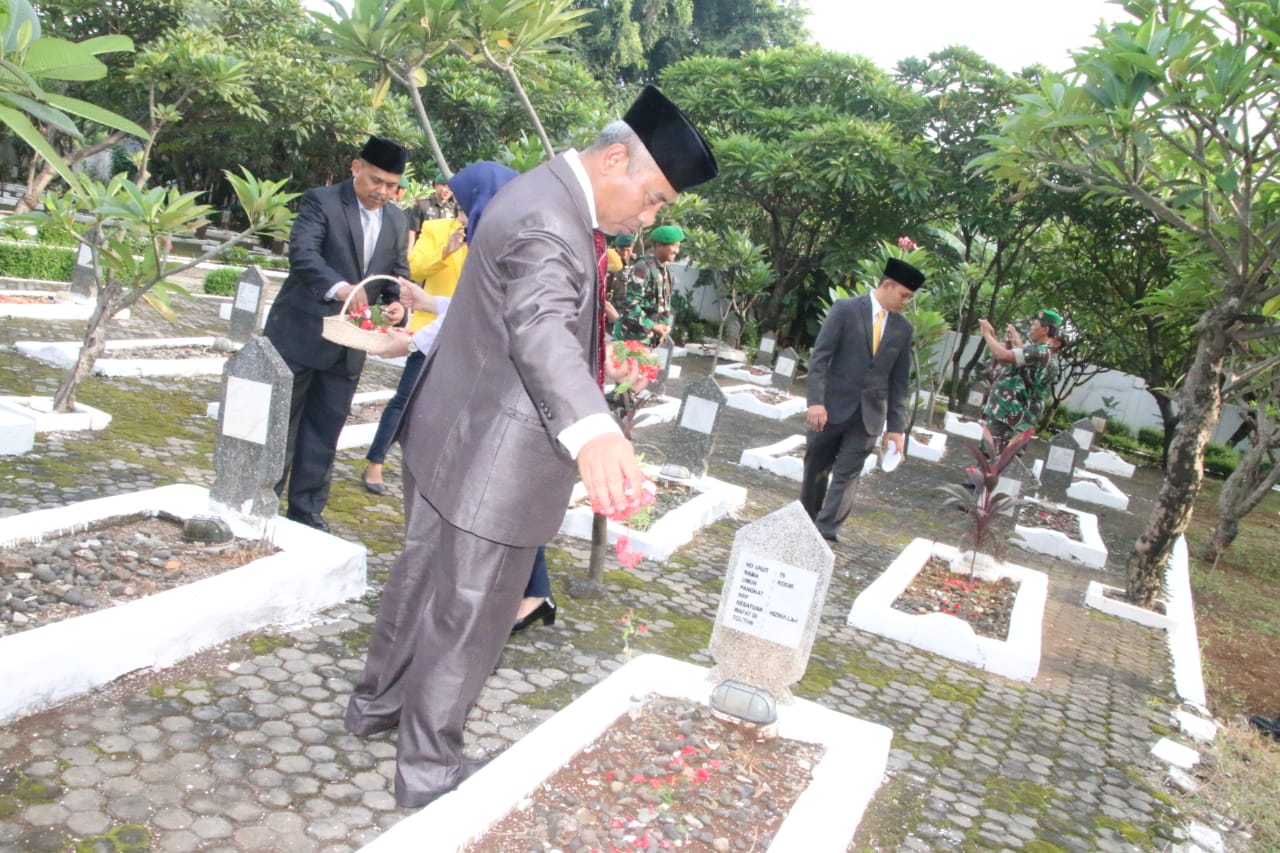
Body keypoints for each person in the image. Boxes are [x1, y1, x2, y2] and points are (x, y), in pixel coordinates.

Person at [343, 84, 717, 809]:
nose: (648, 218)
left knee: (420, 581)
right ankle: (428, 769)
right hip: (496, 461)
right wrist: (596, 427)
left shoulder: (536, 190)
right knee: (471, 614)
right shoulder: (552, 221)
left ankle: (375, 705)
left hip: (451, 431)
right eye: (655, 199)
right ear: (616, 158)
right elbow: (540, 328)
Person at [263, 135, 410, 532]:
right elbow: (303, 255)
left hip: (349, 344)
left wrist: (399, 302)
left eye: (391, 185)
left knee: (326, 427)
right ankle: (262, 499)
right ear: (355, 167)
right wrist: (341, 288)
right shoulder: (321, 201)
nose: (382, 192)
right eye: (376, 180)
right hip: (299, 332)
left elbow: (397, 272)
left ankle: (307, 509)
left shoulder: (397, 219)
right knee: (281, 423)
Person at [360, 163, 515, 494]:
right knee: (405, 400)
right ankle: (376, 461)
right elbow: (415, 267)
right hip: (433, 331)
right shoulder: (437, 227)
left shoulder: (495, 240)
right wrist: (445, 256)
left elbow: (480, 303)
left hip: (462, 340)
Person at [800, 258, 925, 543]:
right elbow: (820, 357)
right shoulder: (845, 309)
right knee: (816, 469)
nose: (906, 301)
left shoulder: (903, 329)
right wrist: (815, 402)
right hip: (830, 408)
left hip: (869, 416)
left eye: (910, 297)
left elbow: (899, 382)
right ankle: (807, 523)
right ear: (887, 285)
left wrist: (897, 429)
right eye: (903, 295)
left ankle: (826, 532)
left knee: (848, 474)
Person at [977, 308, 1063, 450]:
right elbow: (1006, 360)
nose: (1031, 329)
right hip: (1007, 413)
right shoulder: (1040, 350)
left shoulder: (1040, 351)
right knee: (991, 457)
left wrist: (986, 334)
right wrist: (993, 335)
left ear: (1045, 330)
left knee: (993, 460)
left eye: (1034, 326)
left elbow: (1002, 356)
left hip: (1009, 416)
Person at [612, 223, 683, 346]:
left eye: (678, 246)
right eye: (673, 246)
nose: (677, 251)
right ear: (660, 245)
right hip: (629, 339)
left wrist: (663, 329)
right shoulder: (643, 267)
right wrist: (654, 327)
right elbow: (630, 305)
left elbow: (665, 305)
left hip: (647, 340)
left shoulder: (667, 272)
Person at [405, 172, 458, 247]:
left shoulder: (453, 209)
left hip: (442, 254)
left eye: (451, 188)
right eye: (445, 186)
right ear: (436, 185)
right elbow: (412, 231)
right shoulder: (422, 205)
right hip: (422, 252)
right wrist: (409, 254)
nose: (447, 191)